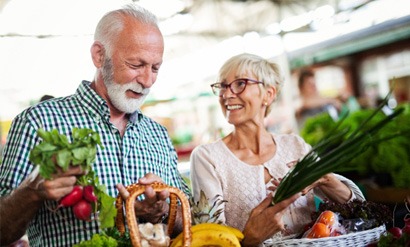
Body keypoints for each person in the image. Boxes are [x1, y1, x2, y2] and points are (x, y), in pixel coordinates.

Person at [0, 4, 190, 247]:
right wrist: (31, 192)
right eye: (135, 65)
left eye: (155, 68)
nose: (147, 80)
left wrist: (163, 211)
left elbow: (189, 222)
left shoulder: (158, 134)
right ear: (99, 55)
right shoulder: (37, 123)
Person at [189, 53, 365, 247]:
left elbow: (358, 209)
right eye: (222, 86)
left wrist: (324, 178)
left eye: (240, 84)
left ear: (268, 94)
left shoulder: (295, 146)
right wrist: (249, 238)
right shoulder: (208, 158)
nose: (227, 94)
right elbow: (210, 240)